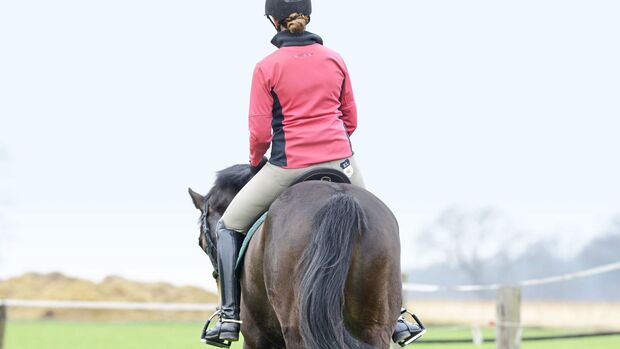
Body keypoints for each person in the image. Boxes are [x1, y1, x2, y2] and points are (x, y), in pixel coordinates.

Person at [204, 0, 425, 346]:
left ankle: (230, 315)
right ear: (308, 17)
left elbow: (260, 132)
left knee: (228, 225)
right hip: (340, 163)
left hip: (288, 165)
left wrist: (255, 162)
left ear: (273, 22)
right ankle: (396, 317)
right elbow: (350, 118)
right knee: (381, 220)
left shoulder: (267, 66)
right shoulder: (335, 59)